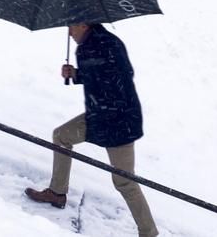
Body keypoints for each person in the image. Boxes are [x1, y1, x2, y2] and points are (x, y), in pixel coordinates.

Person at [25, 24, 158, 236]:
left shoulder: (110, 45)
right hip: (98, 119)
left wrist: (89, 76)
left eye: (71, 27)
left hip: (119, 123)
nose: (69, 32)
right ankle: (57, 193)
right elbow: (96, 76)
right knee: (61, 136)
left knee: (124, 182)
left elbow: (121, 78)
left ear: (84, 24)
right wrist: (76, 74)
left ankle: (149, 233)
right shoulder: (86, 47)